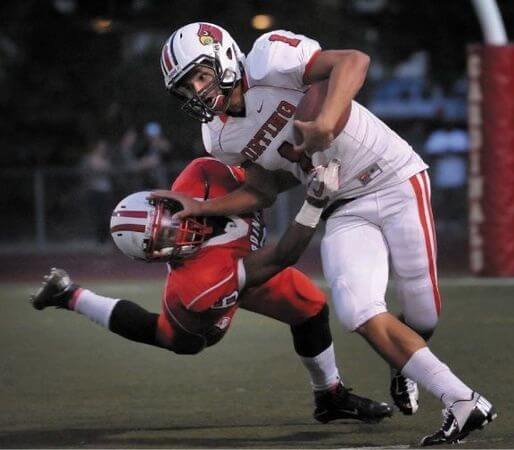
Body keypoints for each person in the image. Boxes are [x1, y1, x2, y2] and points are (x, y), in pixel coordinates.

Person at [156, 23, 496, 445]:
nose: (197, 90)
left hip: (392, 177)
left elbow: (354, 61)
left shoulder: (269, 59)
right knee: (356, 311)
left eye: (200, 75)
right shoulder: (220, 134)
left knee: (423, 316)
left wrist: (326, 123)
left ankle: (403, 363)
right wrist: (203, 207)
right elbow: (263, 191)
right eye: (186, 86)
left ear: (224, 56)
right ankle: (463, 401)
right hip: (341, 204)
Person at [30, 157, 392, 425]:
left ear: (163, 199)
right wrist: (314, 202)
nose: (179, 230)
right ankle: (70, 295)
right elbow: (284, 255)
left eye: (169, 220)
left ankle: (330, 396)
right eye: (166, 238)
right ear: (157, 257)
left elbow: (264, 181)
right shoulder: (196, 287)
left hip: (239, 263)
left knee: (311, 307)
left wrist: (310, 162)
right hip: (225, 281)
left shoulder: (203, 174)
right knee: (182, 341)